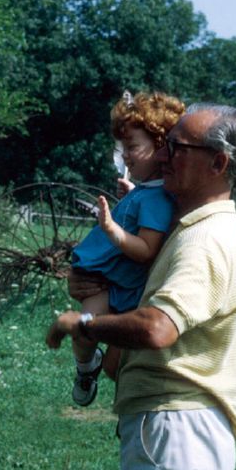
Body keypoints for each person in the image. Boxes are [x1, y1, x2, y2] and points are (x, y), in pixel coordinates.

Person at [46, 103, 236, 470]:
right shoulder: (191, 228)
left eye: (176, 147)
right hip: (174, 428)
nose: (162, 156)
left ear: (218, 163)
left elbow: (158, 328)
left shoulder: (204, 241)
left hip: (175, 432)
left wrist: (82, 324)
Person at [68, 91, 185, 406]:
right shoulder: (149, 191)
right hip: (106, 279)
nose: (126, 156)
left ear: (160, 147)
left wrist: (111, 229)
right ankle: (85, 366)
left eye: (133, 147)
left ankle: (85, 369)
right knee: (83, 333)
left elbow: (146, 249)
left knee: (83, 330)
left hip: (116, 287)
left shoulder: (158, 198)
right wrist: (133, 194)